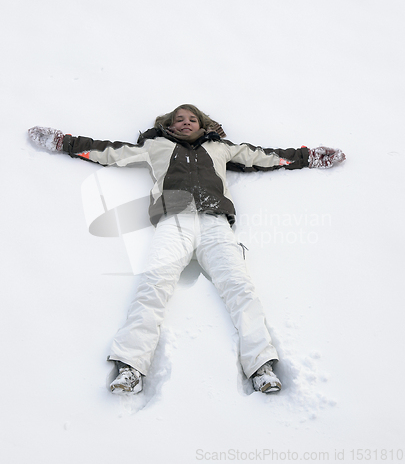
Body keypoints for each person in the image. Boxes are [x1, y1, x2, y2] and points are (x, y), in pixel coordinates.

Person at [27, 104, 345, 395]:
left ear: (202, 124)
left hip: (215, 224)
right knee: (153, 285)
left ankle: (261, 366)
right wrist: (62, 142)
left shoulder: (220, 148)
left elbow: (267, 156)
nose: (185, 123)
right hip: (174, 222)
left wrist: (311, 157)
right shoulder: (155, 146)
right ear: (169, 125)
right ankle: (131, 367)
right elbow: (107, 152)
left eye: (192, 119)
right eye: (178, 119)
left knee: (240, 288)